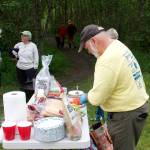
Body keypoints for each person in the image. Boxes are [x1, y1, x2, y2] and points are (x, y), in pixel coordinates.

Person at [78, 24, 149, 150]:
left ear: (93, 41)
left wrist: (86, 97)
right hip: (136, 108)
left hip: (126, 115)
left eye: (86, 47)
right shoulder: (117, 45)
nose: (88, 51)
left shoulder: (106, 60)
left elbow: (97, 98)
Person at [95, 28, 119, 122]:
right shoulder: (104, 50)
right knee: (101, 98)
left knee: (106, 100)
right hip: (103, 81)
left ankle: (105, 117)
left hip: (112, 87)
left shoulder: (116, 52)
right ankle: (99, 116)